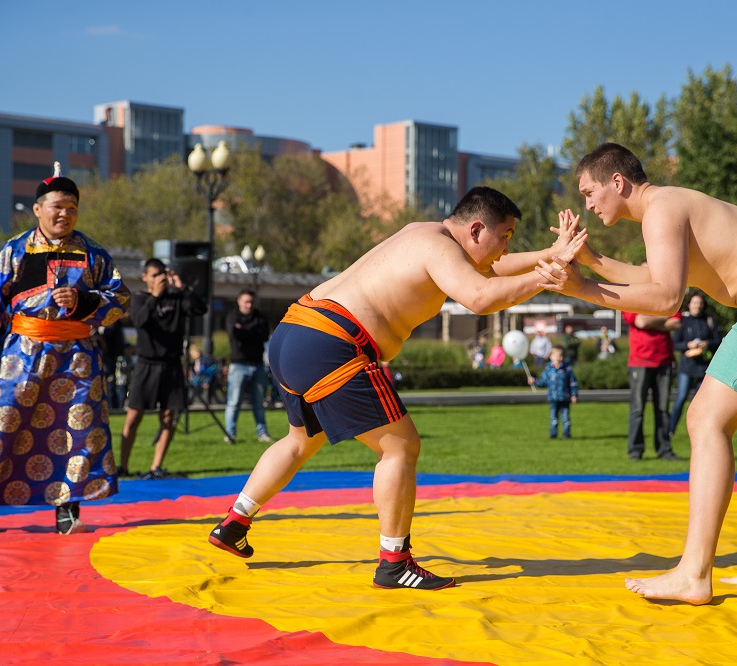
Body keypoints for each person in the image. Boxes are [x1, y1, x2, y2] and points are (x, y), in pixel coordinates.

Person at [207, 185, 587, 591]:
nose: (505, 247)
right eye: (504, 236)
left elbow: (492, 269)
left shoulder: (425, 235)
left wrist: (551, 254)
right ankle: (394, 563)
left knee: (302, 440)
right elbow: (480, 297)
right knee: (400, 446)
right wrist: (546, 277)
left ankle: (234, 522)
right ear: (476, 229)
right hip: (331, 342)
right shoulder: (440, 250)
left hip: (294, 332)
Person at [535, 142, 737, 604]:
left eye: (589, 191)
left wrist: (583, 288)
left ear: (617, 182)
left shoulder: (662, 207)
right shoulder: (673, 207)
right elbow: (651, 274)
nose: (586, 204)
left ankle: (694, 573)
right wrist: (592, 263)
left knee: (705, 420)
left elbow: (666, 299)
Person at [0, 163, 130, 534]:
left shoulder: (94, 254)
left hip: (78, 356)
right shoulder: (14, 251)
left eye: (71, 207)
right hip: (23, 352)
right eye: (57, 206)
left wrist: (85, 301)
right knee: (0, 421)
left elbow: (121, 300)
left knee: (76, 431)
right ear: (38, 209)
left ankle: (68, 511)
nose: (64, 213)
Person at [119, 258, 207, 479]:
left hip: (171, 365)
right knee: (133, 417)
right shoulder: (140, 298)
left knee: (168, 417)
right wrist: (155, 297)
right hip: (146, 365)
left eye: (163, 274)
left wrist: (182, 286)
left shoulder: (177, 299)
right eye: (155, 274)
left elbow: (200, 308)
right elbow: (139, 321)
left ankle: (155, 466)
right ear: (145, 277)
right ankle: (123, 466)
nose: (160, 278)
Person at [623, 287, 682, 461]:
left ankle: (664, 449)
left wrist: (651, 320)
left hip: (664, 360)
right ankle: (635, 450)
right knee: (637, 408)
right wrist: (665, 317)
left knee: (663, 409)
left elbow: (677, 323)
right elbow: (640, 322)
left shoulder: (667, 298)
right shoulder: (629, 299)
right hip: (639, 361)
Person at [668, 291, 722, 437]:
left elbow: (718, 340)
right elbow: (675, 344)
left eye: (700, 303)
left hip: (704, 366)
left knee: (702, 402)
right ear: (689, 304)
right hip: (687, 366)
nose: (697, 306)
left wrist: (708, 343)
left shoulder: (709, 320)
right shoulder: (684, 321)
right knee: (681, 397)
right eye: (695, 303)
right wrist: (688, 344)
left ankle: (701, 430)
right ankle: (670, 429)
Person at [224, 290, 273, 444]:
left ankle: (262, 433)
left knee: (259, 402)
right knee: (234, 402)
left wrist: (243, 331)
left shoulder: (261, 318)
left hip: (257, 365)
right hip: (238, 365)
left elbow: (263, 336)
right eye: (246, 301)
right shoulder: (232, 317)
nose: (249, 305)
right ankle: (230, 434)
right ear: (239, 301)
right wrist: (250, 333)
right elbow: (235, 334)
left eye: (251, 302)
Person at [528, 345, 578, 439]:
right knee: (553, 418)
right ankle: (553, 434)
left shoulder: (567, 369)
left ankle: (567, 434)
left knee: (565, 418)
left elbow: (573, 383)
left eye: (561, 356)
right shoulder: (549, 369)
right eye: (556, 356)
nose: (558, 358)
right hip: (553, 398)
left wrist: (574, 395)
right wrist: (534, 381)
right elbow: (544, 381)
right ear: (551, 356)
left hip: (564, 397)